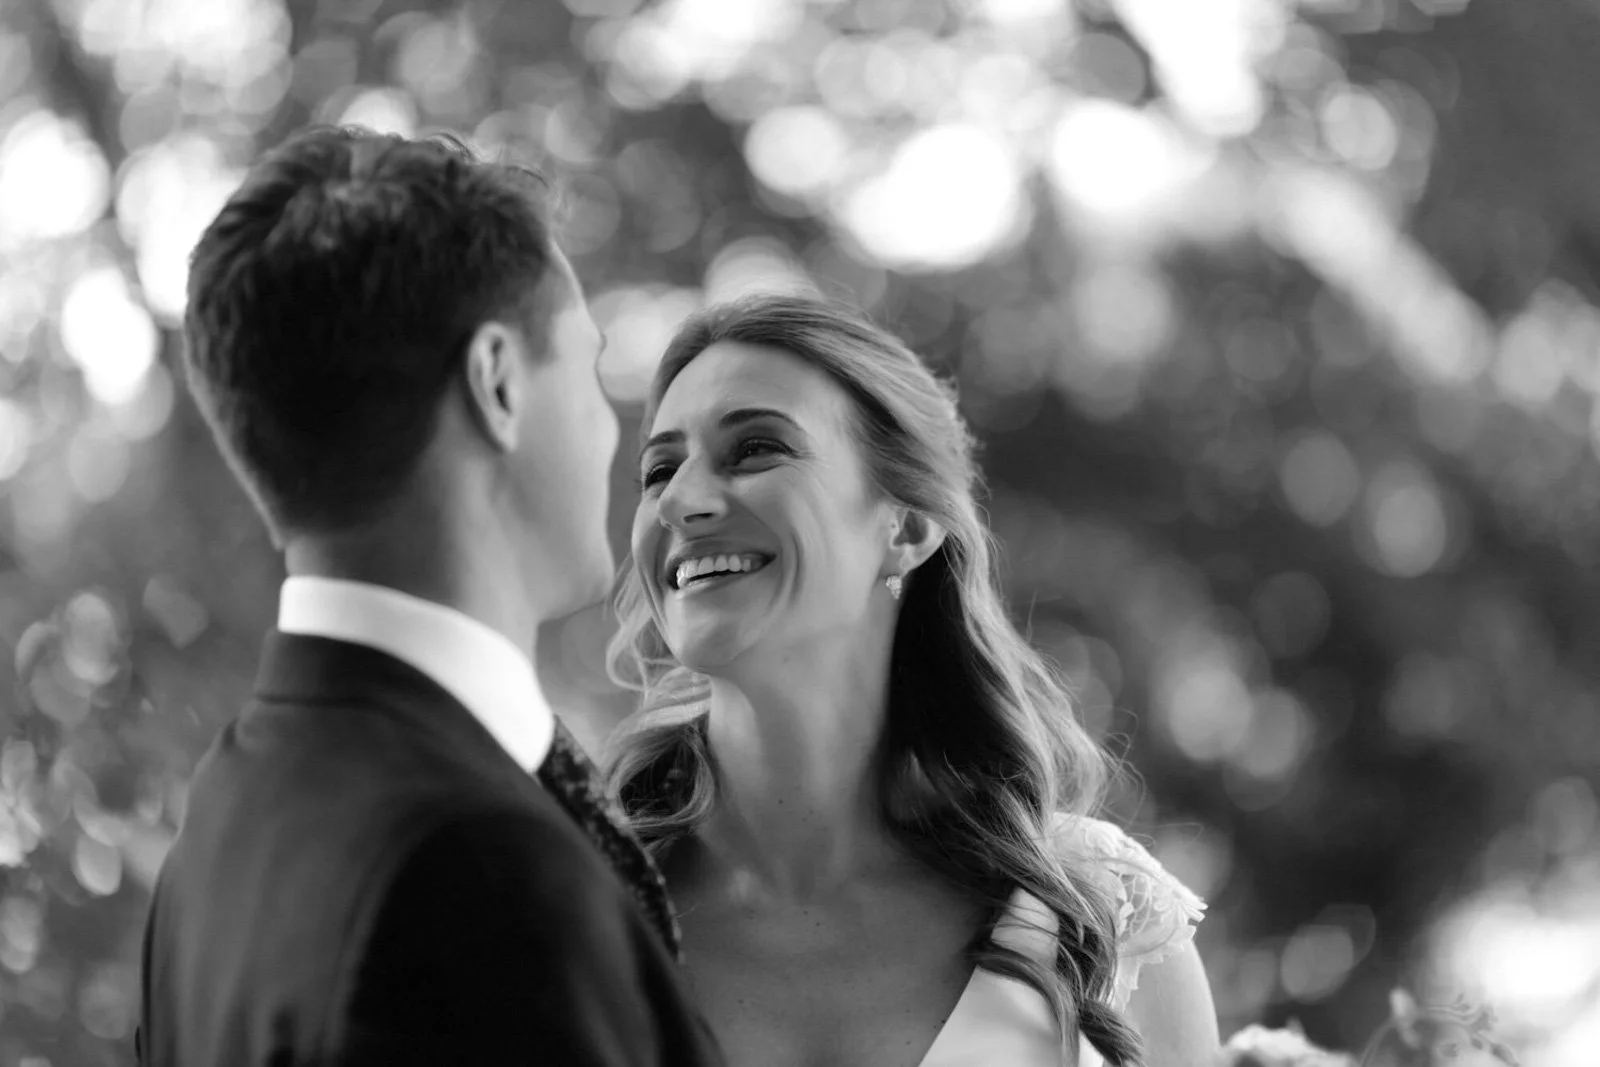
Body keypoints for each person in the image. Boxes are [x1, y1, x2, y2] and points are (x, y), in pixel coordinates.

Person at [137, 126, 722, 1066]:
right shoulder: (489, 877)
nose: (614, 430)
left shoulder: (223, 820)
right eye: (586, 361)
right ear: (497, 382)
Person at [605, 294, 1221, 1066]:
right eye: (660, 469)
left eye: (755, 448)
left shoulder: (1104, 918)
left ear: (907, 526)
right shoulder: (570, 901)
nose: (680, 501)